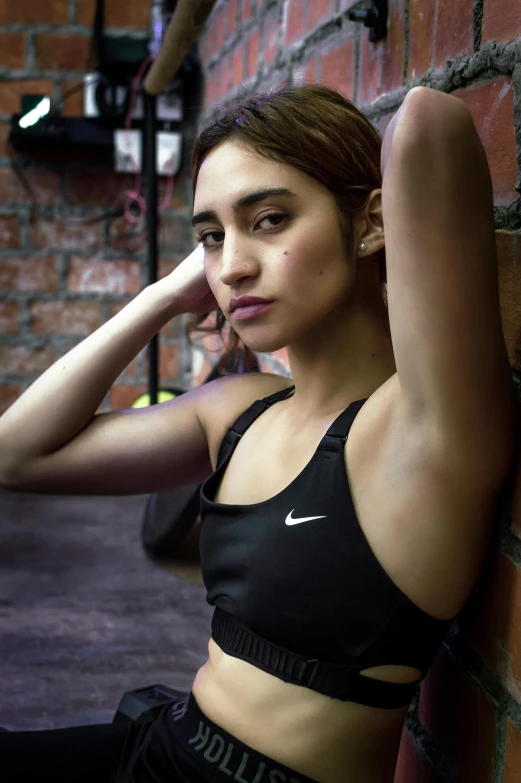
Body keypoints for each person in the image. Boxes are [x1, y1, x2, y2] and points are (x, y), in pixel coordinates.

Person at [0, 83, 516, 783]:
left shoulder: (421, 432)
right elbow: (16, 454)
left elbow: (428, 123)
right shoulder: (239, 411)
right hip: (159, 746)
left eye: (268, 219)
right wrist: (162, 297)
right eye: (211, 237)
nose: (232, 264)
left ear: (370, 221)